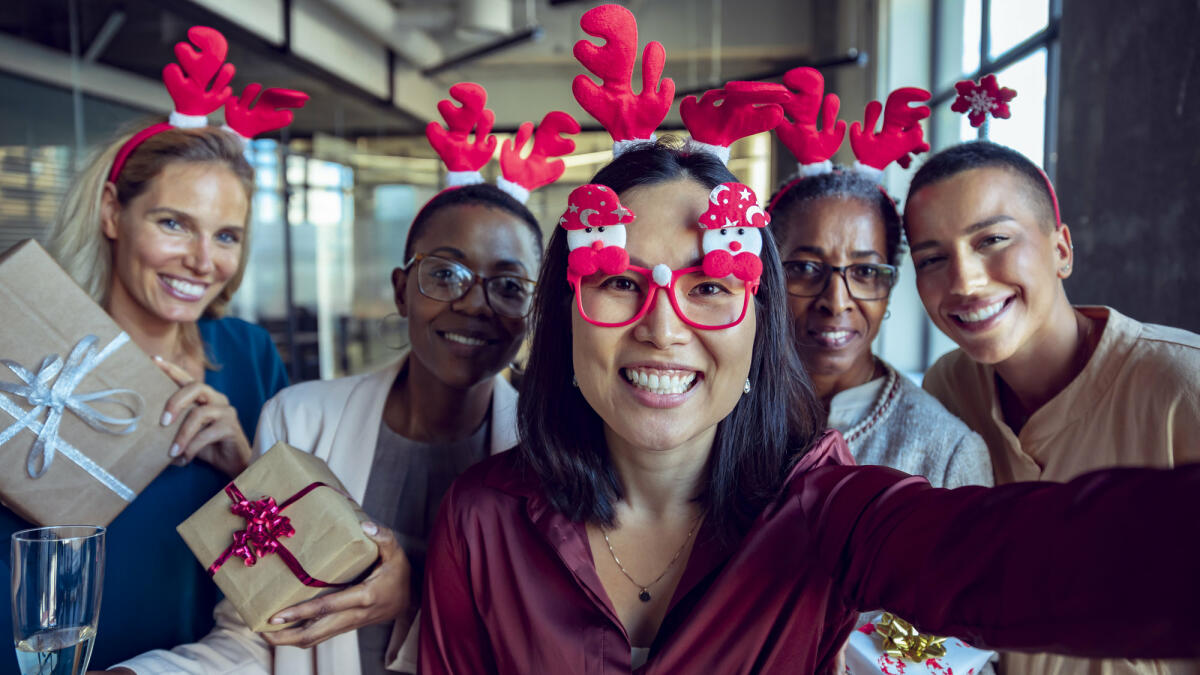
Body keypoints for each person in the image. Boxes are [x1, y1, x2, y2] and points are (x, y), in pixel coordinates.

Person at [419, 142, 1200, 674]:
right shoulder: (482, 520)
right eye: (621, 282)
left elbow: (1004, 561)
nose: (663, 328)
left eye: (711, 288)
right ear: (567, 313)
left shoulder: (824, 504)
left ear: (758, 328)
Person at [105, 181, 543, 675]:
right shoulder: (300, 420)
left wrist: (416, 593)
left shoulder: (554, 459)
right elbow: (256, 638)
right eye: (444, 274)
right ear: (401, 290)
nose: (473, 303)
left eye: (509, 286)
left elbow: (550, 649)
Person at [0, 120, 289, 670]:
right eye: (175, 224)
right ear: (112, 212)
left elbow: (301, 564)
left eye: (226, 235)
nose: (204, 262)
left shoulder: (248, 356)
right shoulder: (27, 353)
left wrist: (244, 465)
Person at [904, 140, 1200, 675]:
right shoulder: (949, 386)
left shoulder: (1181, 383)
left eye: (992, 239)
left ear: (1062, 250)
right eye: (932, 259)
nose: (965, 281)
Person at [767, 169, 992, 488]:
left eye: (865, 271)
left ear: (890, 284)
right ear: (769, 274)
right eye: (805, 268)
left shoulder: (945, 451)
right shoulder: (726, 410)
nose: (836, 301)